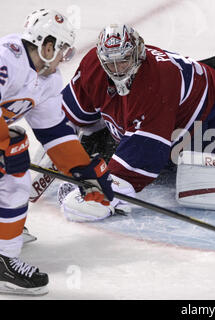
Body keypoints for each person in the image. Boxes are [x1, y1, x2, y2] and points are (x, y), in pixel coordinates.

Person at [58, 23, 215, 221]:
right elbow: (63, 118)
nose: (118, 69)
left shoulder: (157, 81)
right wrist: (60, 149)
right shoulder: (93, 66)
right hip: (170, 125)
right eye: (111, 62)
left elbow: (137, 165)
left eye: (124, 60)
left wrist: (104, 193)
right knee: (148, 152)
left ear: (138, 52)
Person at [0, 9, 114, 296]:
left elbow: (55, 133)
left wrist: (84, 173)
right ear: (47, 46)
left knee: (12, 155)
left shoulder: (47, 81)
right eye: (62, 49)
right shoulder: (7, 60)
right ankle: (2, 260)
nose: (64, 56)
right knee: (14, 170)